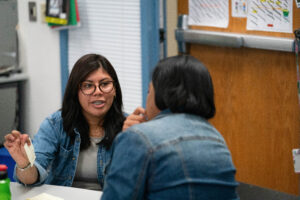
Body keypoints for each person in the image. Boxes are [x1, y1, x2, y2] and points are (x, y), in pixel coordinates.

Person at [101, 55, 239, 200]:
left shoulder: (137, 137)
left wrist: (128, 139)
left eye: (149, 91)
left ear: (160, 94)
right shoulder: (217, 140)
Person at [4, 53, 126, 190]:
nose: (98, 92)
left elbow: (138, 182)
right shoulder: (55, 125)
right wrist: (24, 164)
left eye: (105, 84)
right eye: (88, 85)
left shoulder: (129, 128)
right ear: (75, 92)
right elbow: (32, 178)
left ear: (115, 89)